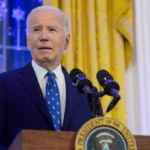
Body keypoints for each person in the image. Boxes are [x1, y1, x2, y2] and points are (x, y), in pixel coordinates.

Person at [0, 5, 103, 148]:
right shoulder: (5, 85)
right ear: (28, 40)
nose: (44, 37)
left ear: (66, 42)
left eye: (52, 30)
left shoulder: (86, 92)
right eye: (36, 30)